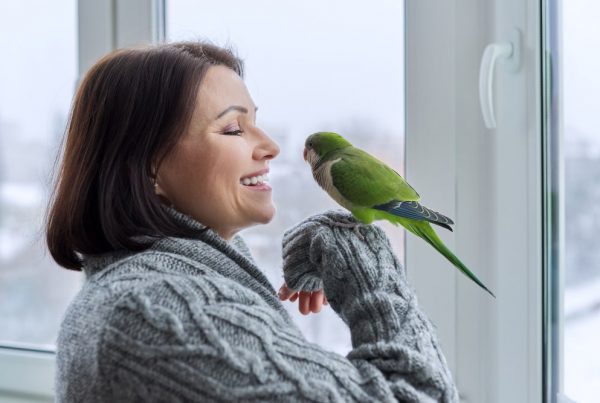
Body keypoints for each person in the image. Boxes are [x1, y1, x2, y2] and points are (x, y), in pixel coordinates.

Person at [46, 41, 459, 402]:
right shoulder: (156, 312)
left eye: (255, 123)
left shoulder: (156, 290)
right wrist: (362, 257)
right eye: (232, 128)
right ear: (150, 168)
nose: (271, 147)